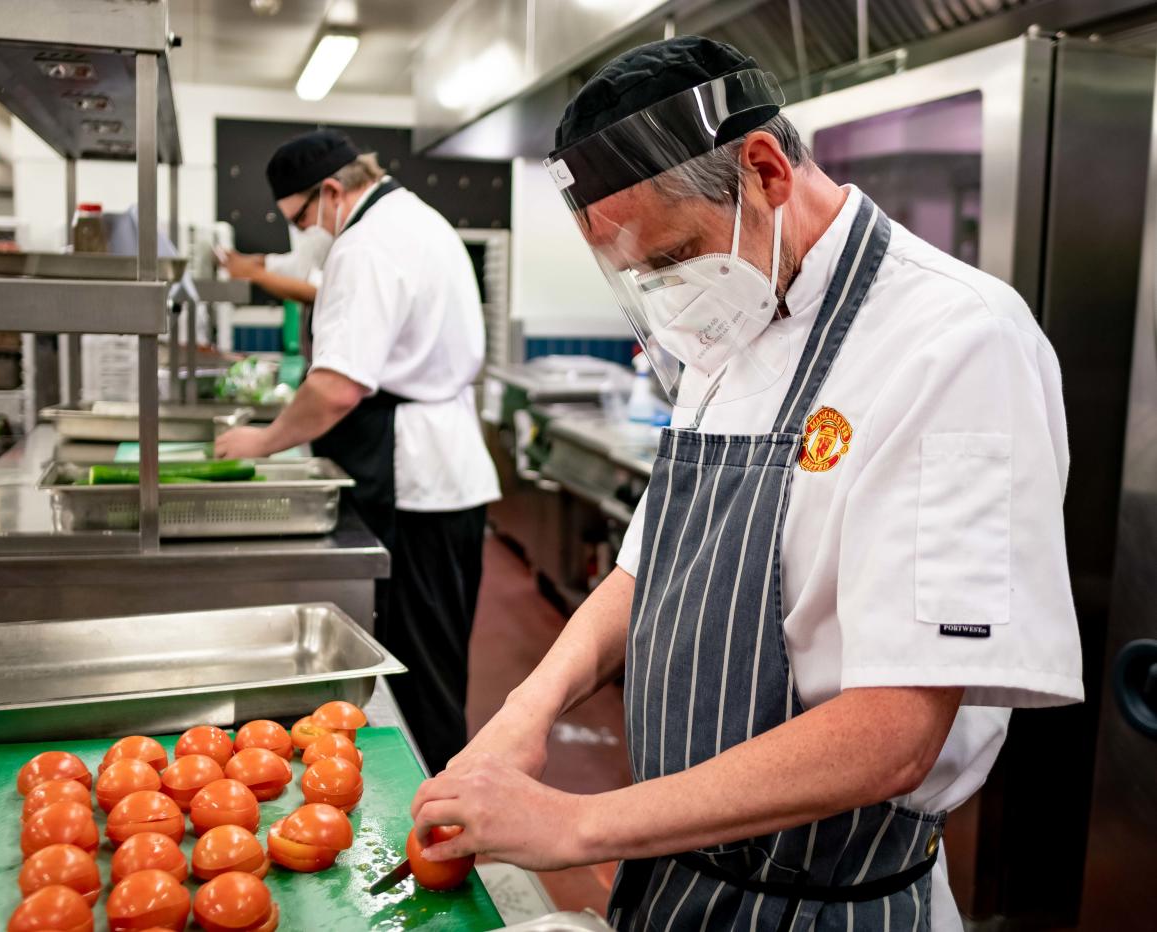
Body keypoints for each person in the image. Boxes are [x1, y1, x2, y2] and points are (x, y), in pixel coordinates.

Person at [409, 36, 1082, 932]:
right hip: (678, 875)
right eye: (644, 275)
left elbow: (894, 733)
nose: (672, 294)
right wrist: (527, 709)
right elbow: (645, 571)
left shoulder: (956, 342)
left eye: (677, 253)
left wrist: (576, 824)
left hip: (831, 903)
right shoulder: (730, 330)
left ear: (764, 166)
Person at [215, 129, 501, 773]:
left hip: (412, 481)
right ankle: (441, 813)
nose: (302, 237)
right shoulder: (417, 219)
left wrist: (263, 441)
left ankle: (435, 829)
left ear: (333, 191)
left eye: (299, 220)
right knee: (437, 664)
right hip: (444, 472)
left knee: (415, 676)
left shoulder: (365, 243)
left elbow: (338, 386)